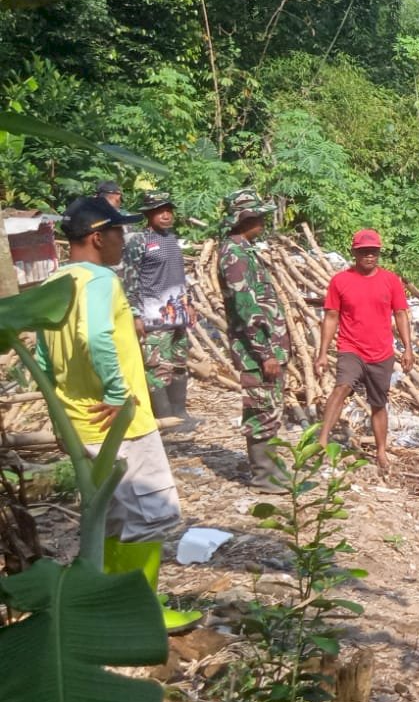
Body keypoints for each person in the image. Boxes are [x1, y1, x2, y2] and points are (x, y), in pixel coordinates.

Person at [33, 195, 201, 632]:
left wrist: (58, 414)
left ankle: (107, 602)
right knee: (152, 516)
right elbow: (94, 336)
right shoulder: (101, 281)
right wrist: (116, 392)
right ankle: (141, 613)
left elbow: (41, 354)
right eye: (117, 232)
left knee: (112, 516)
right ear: (96, 237)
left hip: (79, 422)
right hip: (119, 424)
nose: (123, 239)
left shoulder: (55, 281)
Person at [314, 229, 415, 473]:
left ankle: (381, 452)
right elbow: (331, 316)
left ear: (379, 253)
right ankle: (321, 442)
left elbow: (400, 314)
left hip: (382, 352)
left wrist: (408, 348)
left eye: (373, 252)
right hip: (351, 347)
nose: (369, 256)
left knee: (379, 403)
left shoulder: (391, 281)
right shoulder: (341, 281)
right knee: (342, 387)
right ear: (354, 253)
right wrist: (322, 353)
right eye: (363, 252)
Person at [217, 189, 290, 491]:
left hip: (265, 349)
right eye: (258, 214)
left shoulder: (245, 250)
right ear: (245, 218)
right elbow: (247, 308)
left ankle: (273, 470)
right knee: (260, 408)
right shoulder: (233, 255)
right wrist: (265, 353)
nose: (263, 220)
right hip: (255, 352)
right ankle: (264, 475)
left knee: (270, 407)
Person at [122, 191, 198, 428]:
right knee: (156, 367)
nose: (166, 215)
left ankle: (181, 414)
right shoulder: (139, 241)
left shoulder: (172, 239)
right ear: (148, 214)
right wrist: (135, 315)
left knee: (178, 363)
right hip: (153, 315)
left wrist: (190, 304)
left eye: (169, 210)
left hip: (177, 313)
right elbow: (129, 279)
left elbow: (179, 277)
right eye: (159, 211)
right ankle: (166, 420)